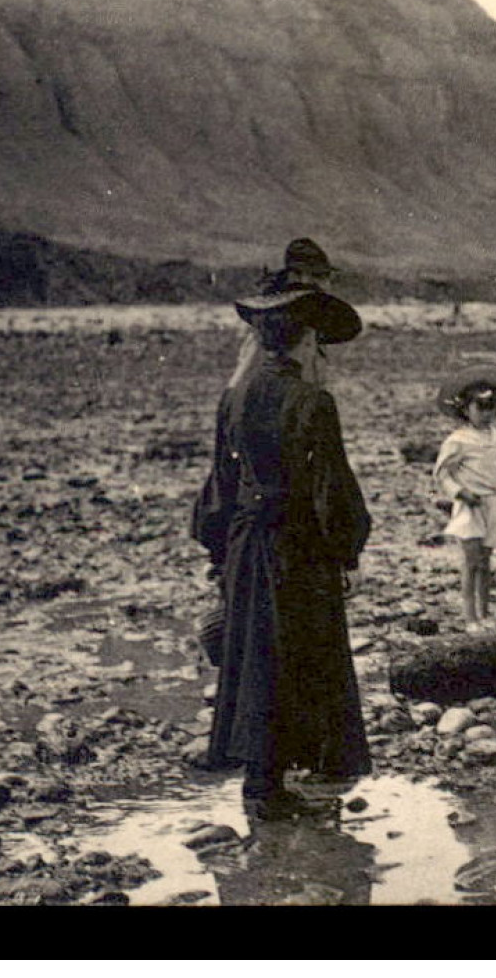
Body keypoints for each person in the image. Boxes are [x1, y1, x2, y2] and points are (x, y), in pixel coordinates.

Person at [191, 286, 372, 819]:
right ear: (307, 338)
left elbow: (221, 482)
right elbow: (331, 486)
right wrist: (348, 552)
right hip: (299, 546)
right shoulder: (313, 401)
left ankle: (262, 782)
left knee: (256, 657)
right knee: (302, 654)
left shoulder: (235, 396)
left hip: (248, 543)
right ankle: (281, 784)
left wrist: (219, 552)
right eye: (318, 340)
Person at [432, 364, 496, 634]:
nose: (486, 413)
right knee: (471, 561)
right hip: (470, 506)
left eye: (491, 406)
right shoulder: (457, 440)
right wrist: (460, 493)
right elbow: (442, 474)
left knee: (486, 561)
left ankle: (485, 612)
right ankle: (470, 617)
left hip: (493, 503)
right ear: (465, 409)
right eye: (479, 407)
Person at [226, 238, 360, 391]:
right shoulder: (272, 329)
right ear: (299, 277)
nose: (326, 285)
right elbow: (238, 387)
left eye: (325, 277)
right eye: (320, 276)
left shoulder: (314, 330)